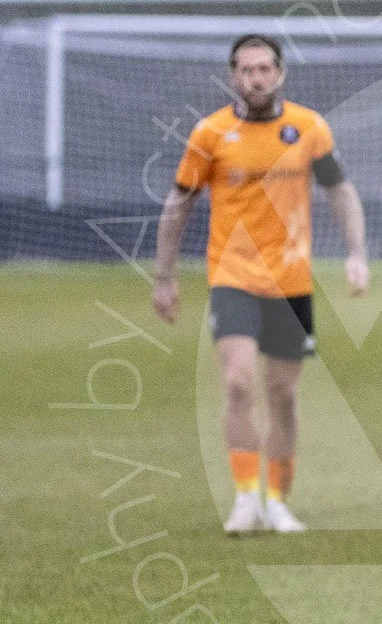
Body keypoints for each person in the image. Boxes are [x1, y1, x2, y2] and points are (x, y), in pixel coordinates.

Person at [152, 34, 369, 534]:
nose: (256, 77)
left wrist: (356, 253)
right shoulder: (210, 134)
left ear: (281, 73)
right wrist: (163, 276)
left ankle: (277, 501)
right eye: (246, 70)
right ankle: (246, 497)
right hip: (233, 278)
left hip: (291, 282)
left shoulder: (308, 128)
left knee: (284, 396)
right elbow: (178, 203)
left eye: (265, 68)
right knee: (238, 381)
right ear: (232, 77)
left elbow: (339, 189)